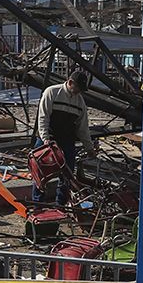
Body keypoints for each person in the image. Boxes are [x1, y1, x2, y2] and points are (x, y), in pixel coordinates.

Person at [37, 70, 95, 203]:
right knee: (40, 172)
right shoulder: (51, 92)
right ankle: (38, 203)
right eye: (78, 88)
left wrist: (89, 148)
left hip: (67, 140)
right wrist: (46, 138)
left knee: (67, 175)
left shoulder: (80, 102)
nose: (78, 92)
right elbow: (43, 117)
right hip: (48, 138)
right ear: (70, 83)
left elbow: (83, 128)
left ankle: (60, 204)